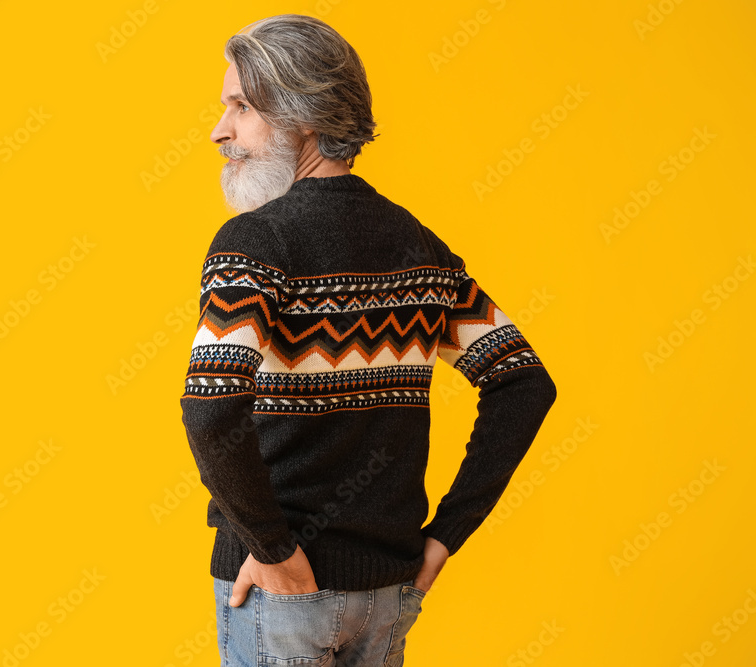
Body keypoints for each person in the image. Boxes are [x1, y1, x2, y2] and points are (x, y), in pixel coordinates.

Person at [179, 14, 557, 666]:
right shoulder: (419, 248)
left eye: (241, 106)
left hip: (278, 590)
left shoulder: (253, 245)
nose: (221, 131)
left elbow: (210, 408)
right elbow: (523, 381)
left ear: (300, 113)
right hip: (386, 590)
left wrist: (272, 550)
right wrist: (443, 538)